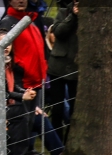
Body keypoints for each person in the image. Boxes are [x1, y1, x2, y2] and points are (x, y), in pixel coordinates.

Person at [47, 0, 78, 142]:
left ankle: (69, 142)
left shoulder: (91, 17)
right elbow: (58, 32)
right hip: (57, 68)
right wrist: (72, 16)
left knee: (74, 110)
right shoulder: (63, 12)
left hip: (76, 68)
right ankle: (58, 144)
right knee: (57, 109)